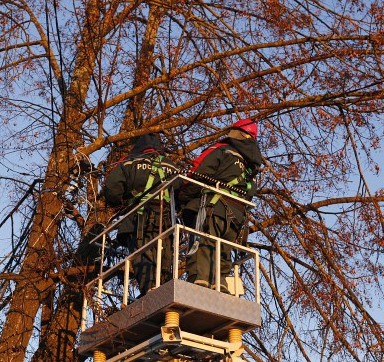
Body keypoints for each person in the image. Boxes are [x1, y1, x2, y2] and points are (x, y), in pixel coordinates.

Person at [179, 118, 263, 292]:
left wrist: (182, 197)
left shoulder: (221, 150)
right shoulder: (251, 166)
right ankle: (221, 283)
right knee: (224, 249)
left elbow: (197, 173)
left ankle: (200, 281)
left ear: (236, 133)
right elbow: (250, 192)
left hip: (213, 207)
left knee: (203, 243)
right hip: (237, 215)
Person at [102, 132, 179, 295]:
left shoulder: (129, 162)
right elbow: (182, 191)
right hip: (165, 218)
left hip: (138, 218)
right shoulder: (171, 166)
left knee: (142, 252)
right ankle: (165, 288)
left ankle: (149, 289)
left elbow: (111, 188)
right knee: (164, 253)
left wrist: (120, 204)